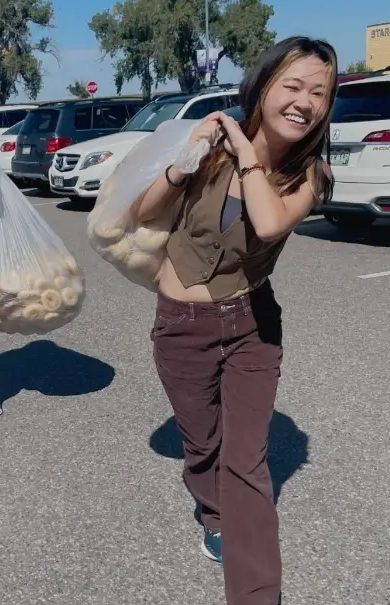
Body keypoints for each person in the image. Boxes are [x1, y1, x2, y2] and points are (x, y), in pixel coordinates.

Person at [133, 37, 338, 605]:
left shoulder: (308, 174)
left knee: (245, 460)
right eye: (293, 86)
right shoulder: (213, 151)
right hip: (182, 325)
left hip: (253, 325)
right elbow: (143, 213)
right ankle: (214, 513)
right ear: (263, 85)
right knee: (201, 445)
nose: (305, 102)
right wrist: (185, 161)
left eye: (318, 93)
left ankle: (254, 594)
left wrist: (247, 150)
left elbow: (269, 224)